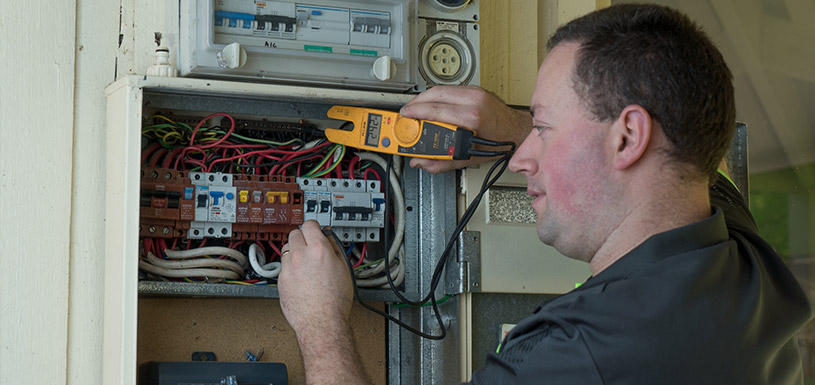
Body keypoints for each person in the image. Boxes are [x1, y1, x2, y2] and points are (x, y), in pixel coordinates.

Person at [277, 4, 813, 384]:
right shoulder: (745, 268)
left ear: (627, 136)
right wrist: (510, 127)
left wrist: (320, 322)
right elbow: (702, 163)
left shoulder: (580, 356)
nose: (524, 156)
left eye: (544, 127)